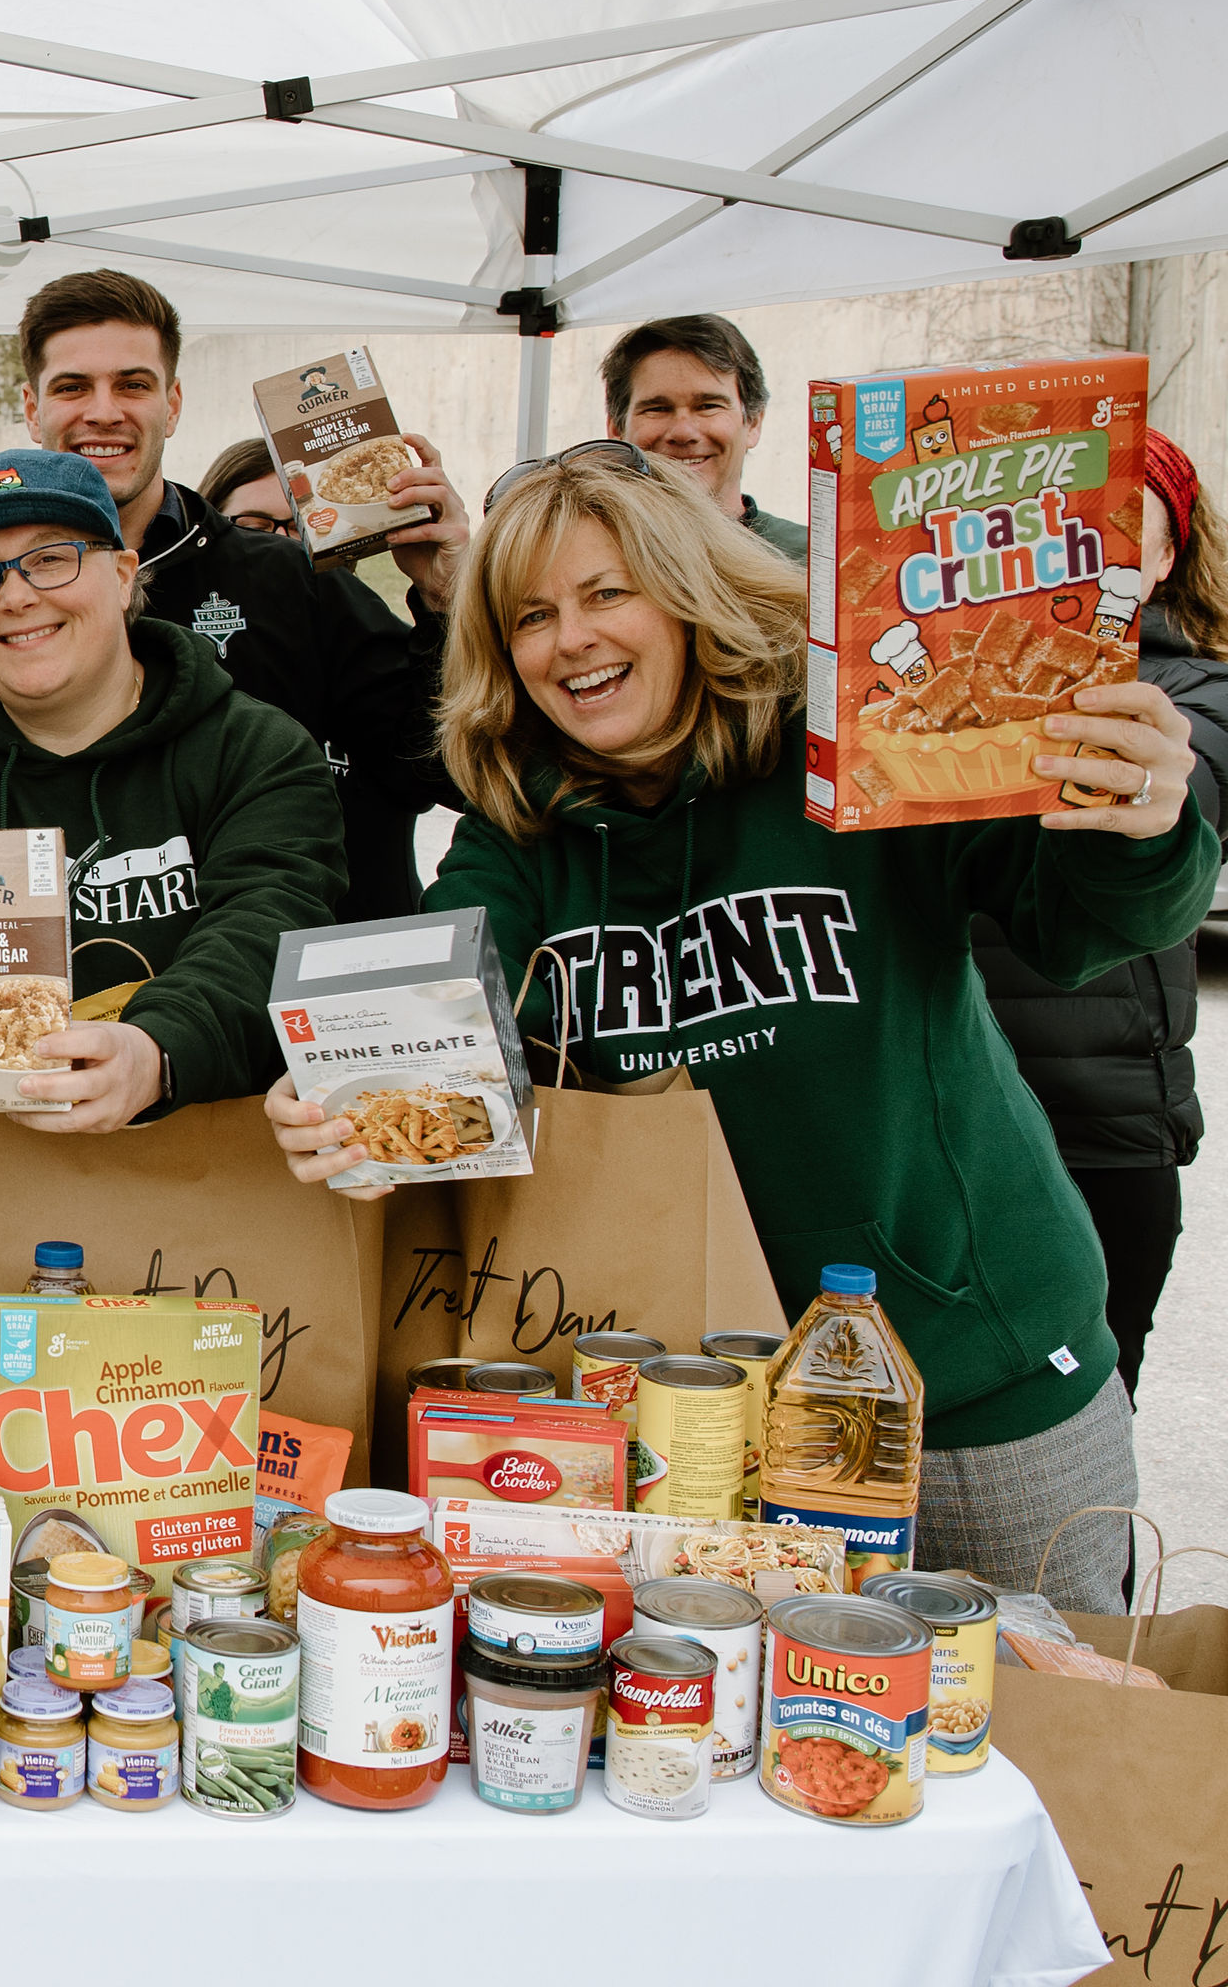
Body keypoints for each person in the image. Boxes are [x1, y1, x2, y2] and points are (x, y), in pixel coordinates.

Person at [267, 450, 1210, 1610]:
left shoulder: (851, 753)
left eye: (608, 593)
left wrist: (1144, 818)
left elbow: (1082, 925)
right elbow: (438, 1039)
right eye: (532, 616)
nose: (572, 640)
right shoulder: (518, 833)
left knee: (1054, 1723)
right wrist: (344, 1102)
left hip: (970, 1373)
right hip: (692, 1412)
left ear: (690, 592)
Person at [0, 271, 458, 922]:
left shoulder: (289, 582)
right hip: (42, 1001)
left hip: (272, 985)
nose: (104, 410)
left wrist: (445, 596)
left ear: (172, 404)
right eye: (72, 387)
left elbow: (434, 770)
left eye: (133, 385)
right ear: (33, 410)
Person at [0, 449, 343, 1147]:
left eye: (51, 559)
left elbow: (269, 922)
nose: (16, 596)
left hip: (215, 1172)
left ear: (123, 577)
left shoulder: (256, 750)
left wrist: (155, 1049)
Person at [971, 427, 1228, 1401]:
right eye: (1067, 532)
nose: (1094, 555)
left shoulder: (1192, 692)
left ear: (1169, 557)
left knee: (1085, 1433)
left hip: (1100, 1126)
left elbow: (1187, 794)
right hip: (949, 1116)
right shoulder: (952, 685)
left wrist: (1148, 781)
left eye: (1127, 533)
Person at [200, 435, 442, 914]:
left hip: (372, 950)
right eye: (253, 529)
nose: (284, 549)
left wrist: (443, 594)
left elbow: (447, 766)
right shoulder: (189, 664)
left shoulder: (378, 651)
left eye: (303, 526)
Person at [603, 312, 804, 558]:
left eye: (708, 406)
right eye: (657, 409)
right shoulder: (579, 557)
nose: (683, 432)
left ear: (753, 423)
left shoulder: (816, 565)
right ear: (616, 431)